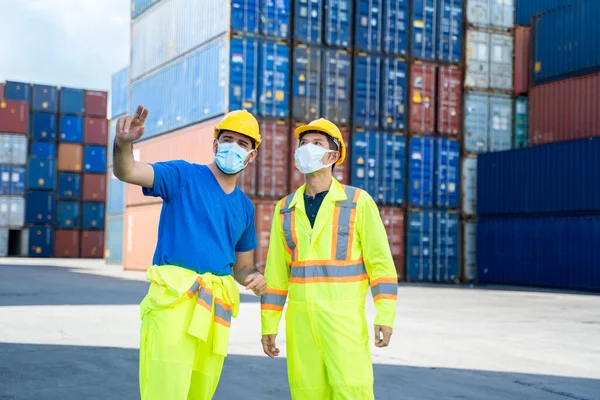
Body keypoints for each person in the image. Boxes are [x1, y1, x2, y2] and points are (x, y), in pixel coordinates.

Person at [113, 105, 267, 400]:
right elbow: (128, 170)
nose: (234, 147)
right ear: (215, 143)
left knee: (201, 392)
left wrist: (255, 278)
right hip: (173, 304)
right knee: (165, 391)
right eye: (228, 139)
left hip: (215, 312)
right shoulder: (182, 176)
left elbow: (243, 267)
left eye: (243, 144)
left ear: (252, 155)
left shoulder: (245, 207)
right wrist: (123, 143)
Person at [260, 118, 398, 399]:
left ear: (333, 156)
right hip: (301, 327)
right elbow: (276, 275)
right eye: (303, 143)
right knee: (306, 392)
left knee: (352, 391)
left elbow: (381, 264)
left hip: (343, 324)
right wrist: (269, 325)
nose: (306, 148)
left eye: (316, 143)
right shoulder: (285, 208)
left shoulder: (358, 201)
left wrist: (385, 315)